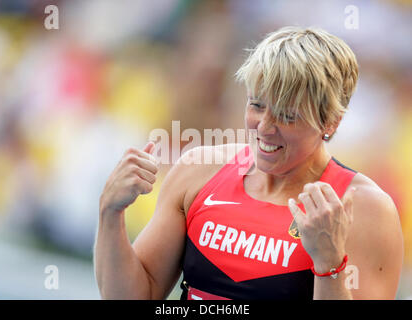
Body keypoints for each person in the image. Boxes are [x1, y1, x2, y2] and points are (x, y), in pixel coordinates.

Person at [94, 26, 404, 300]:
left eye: (287, 115)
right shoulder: (199, 170)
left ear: (330, 123)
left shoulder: (363, 208)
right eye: (257, 105)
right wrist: (110, 212)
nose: (265, 128)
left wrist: (329, 266)